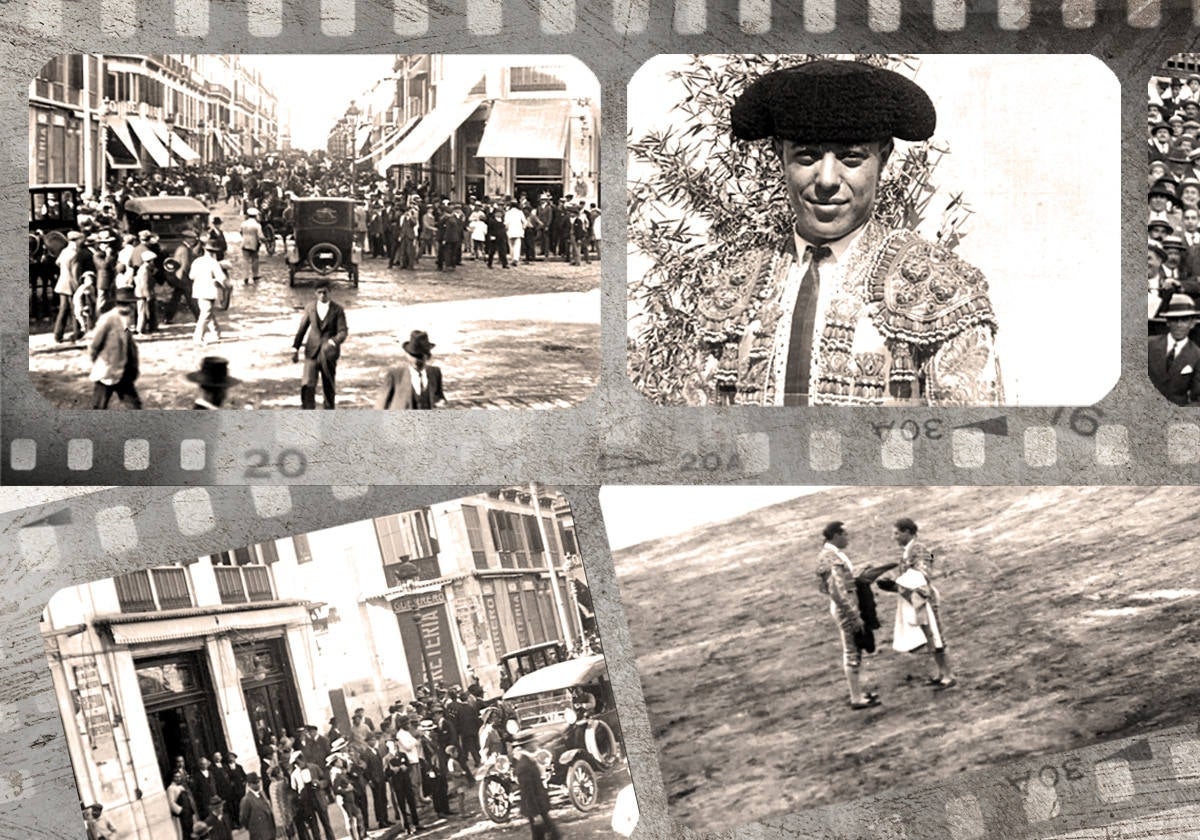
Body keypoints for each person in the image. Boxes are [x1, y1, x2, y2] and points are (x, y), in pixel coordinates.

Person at [686, 59, 1002, 406]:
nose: (826, 180)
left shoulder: (942, 288)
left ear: (883, 158)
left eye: (851, 158)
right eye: (807, 156)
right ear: (780, 155)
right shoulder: (732, 287)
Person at [815, 521, 879, 709]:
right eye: (845, 535)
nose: (848, 538)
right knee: (852, 650)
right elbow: (836, 590)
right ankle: (856, 698)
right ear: (836, 535)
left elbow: (835, 585)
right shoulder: (831, 557)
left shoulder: (829, 555)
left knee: (855, 648)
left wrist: (859, 572)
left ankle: (857, 694)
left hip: (846, 605)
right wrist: (853, 614)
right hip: (846, 608)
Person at [888, 517, 955, 688]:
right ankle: (941, 673)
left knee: (936, 635)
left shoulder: (919, 550)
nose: (894, 537)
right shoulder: (908, 551)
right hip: (915, 598)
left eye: (896, 533)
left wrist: (897, 583)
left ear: (907, 532)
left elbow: (923, 574)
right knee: (930, 637)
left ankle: (949, 675)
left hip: (925, 598)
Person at [291, 282, 348, 410]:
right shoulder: (310, 308)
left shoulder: (337, 310)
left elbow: (343, 331)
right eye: (320, 292)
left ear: (330, 292)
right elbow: (302, 329)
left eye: (325, 292)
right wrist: (295, 348)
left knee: (328, 385)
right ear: (315, 293)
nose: (322, 295)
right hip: (311, 351)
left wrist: (333, 342)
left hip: (328, 353)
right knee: (307, 384)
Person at [88, 287, 141, 409]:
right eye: (127, 304)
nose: (131, 308)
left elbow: (128, 340)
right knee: (98, 407)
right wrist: (99, 362)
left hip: (124, 369)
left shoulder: (126, 319)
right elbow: (94, 344)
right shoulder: (108, 319)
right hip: (107, 370)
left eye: (131, 304)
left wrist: (133, 363)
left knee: (134, 405)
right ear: (119, 304)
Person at [375, 330, 446, 410]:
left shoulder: (435, 373)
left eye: (420, 357)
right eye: (413, 355)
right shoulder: (394, 376)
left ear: (428, 356)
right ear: (407, 355)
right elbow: (380, 406)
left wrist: (441, 404)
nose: (415, 360)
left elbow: (439, 398)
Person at [1149, 293, 1200, 404]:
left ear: (1192, 324)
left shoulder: (1196, 355)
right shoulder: (1149, 344)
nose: (1179, 325)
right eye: (1174, 320)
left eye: (1184, 320)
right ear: (1167, 322)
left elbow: (1197, 397)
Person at [511, 730, 560, 840]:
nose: (536, 744)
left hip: (539, 807)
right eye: (533, 742)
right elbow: (527, 793)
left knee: (540, 836)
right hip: (536, 809)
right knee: (553, 835)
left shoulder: (528, 760)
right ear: (528, 745)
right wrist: (535, 814)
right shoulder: (524, 766)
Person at [189, 238, 227, 345]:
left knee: (207, 312)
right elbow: (222, 278)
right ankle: (197, 337)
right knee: (206, 314)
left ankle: (216, 332)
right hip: (209, 291)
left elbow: (191, 276)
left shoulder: (197, 261)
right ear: (214, 252)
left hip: (198, 291)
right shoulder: (214, 263)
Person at [239, 773, 276, 840]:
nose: (258, 784)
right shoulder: (246, 800)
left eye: (258, 782)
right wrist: (254, 827)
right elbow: (243, 819)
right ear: (249, 785)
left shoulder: (262, 794)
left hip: (270, 832)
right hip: (259, 835)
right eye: (255, 783)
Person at [168, 770, 196, 840]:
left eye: (179, 776)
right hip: (182, 816)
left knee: (192, 831)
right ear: (172, 778)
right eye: (176, 777)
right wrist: (181, 811)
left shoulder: (181, 787)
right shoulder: (171, 788)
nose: (178, 778)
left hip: (188, 813)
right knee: (185, 833)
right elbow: (171, 803)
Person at [239, 208, 263, 285]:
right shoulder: (257, 225)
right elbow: (260, 236)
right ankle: (255, 275)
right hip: (254, 244)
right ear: (255, 216)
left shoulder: (243, 224)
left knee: (245, 260)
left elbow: (241, 232)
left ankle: (245, 277)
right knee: (255, 260)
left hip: (244, 243)